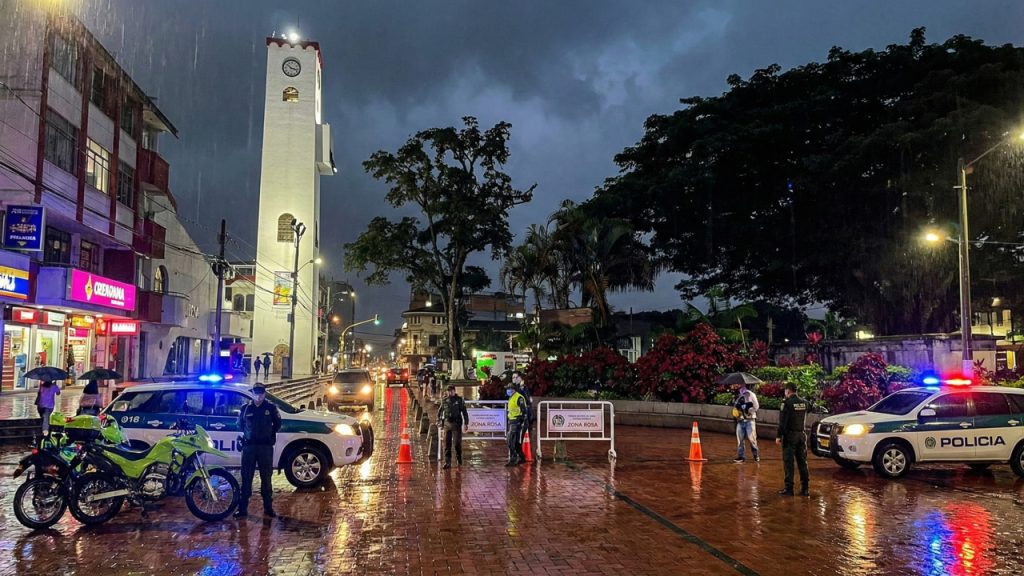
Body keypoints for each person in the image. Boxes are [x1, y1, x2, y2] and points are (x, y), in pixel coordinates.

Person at [235, 384, 282, 518]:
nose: (259, 396)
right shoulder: (246, 408)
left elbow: (277, 424)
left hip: (265, 448)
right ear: (253, 393)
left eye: (261, 393)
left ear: (264, 394)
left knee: (266, 478)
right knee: (246, 478)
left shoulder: (271, 408)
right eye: (256, 393)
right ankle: (242, 509)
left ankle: (268, 508)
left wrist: (269, 436)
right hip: (249, 447)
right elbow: (240, 424)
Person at [776, 382, 810, 496]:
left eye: (785, 391)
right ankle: (805, 488)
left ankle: (789, 489)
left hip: (790, 437)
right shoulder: (804, 402)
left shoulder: (786, 403)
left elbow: (782, 422)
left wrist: (778, 436)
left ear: (788, 391)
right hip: (801, 435)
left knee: (788, 463)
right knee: (803, 463)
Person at [437, 384, 469, 469]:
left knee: (457, 443)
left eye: (452, 391)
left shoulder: (459, 400)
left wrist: (466, 423)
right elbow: (440, 411)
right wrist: (439, 420)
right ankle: (447, 462)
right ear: (447, 392)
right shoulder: (444, 400)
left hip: (456, 424)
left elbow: (464, 412)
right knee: (447, 444)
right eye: (449, 391)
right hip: (447, 424)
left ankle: (459, 459)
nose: (450, 392)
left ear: (455, 391)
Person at [732, 383, 760, 463]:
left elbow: (756, 406)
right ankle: (741, 457)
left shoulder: (750, 394)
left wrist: (749, 410)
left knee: (752, 439)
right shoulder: (737, 395)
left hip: (749, 420)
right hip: (740, 420)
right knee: (740, 440)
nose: (736, 385)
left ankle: (756, 455)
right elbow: (735, 407)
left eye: (738, 384)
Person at [505, 379, 528, 466]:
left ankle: (513, 460)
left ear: (513, 389)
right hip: (512, 421)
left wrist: (521, 422)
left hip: (517, 421)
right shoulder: (512, 397)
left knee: (511, 441)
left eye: (509, 389)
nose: (508, 391)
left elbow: (524, 411)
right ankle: (522, 457)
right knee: (515, 442)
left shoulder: (519, 398)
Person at [511, 372, 533, 444]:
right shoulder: (514, 387)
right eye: (513, 377)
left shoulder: (523, 387)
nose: (514, 379)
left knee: (525, 431)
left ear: (520, 378)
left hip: (524, 413)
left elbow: (527, 400)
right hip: (517, 414)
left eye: (515, 377)